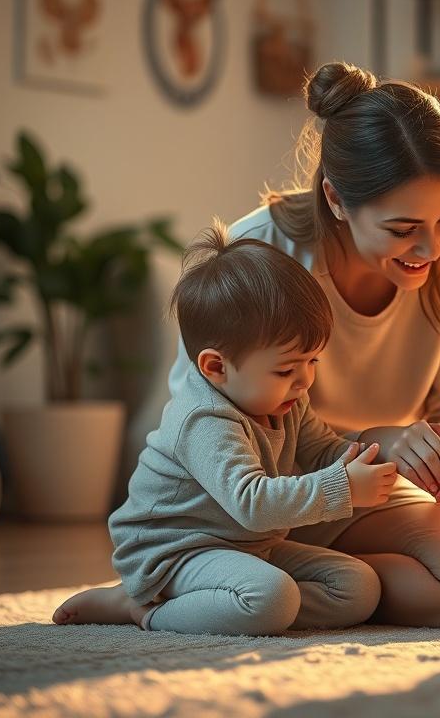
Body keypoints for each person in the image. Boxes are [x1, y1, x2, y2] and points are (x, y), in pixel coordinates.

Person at [57, 61, 440, 630]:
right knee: (404, 586)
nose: (432, 248)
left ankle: (267, 587)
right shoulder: (260, 255)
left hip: (352, 480)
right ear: (336, 199)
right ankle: (185, 589)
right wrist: (382, 442)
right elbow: (210, 411)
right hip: (245, 496)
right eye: (402, 229)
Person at [55, 225, 397, 635]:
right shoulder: (204, 419)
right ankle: (140, 608)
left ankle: (232, 607)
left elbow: (323, 449)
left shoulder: (286, 400)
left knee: (358, 586)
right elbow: (252, 503)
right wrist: (343, 488)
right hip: (175, 549)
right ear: (215, 367)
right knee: (272, 597)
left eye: (313, 362)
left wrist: (375, 458)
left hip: (248, 545)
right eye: (287, 368)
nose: (305, 380)